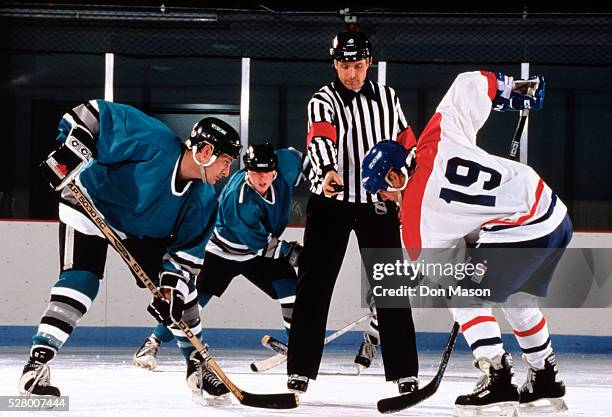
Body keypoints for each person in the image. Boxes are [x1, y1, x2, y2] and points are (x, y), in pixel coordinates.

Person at [361, 70, 570, 414]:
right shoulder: (435, 138)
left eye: (381, 188)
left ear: (394, 175)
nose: (383, 197)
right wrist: (512, 90)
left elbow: (444, 272)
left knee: (464, 295)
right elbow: (469, 83)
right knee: (517, 298)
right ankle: (545, 376)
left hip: (520, 228)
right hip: (553, 212)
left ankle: (497, 376)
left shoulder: (414, 220)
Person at [19, 99, 241, 400]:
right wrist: (71, 151)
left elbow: (184, 259)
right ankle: (37, 364)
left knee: (183, 296)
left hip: (139, 231)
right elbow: (94, 114)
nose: (227, 172)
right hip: (89, 203)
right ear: (205, 152)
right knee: (80, 283)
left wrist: (170, 290)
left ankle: (197, 367)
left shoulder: (203, 201)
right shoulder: (154, 140)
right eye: (225, 162)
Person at [286, 28, 420, 394]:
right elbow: (320, 139)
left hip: (375, 203)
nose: (352, 74)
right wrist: (329, 170)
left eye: (358, 65)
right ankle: (299, 370)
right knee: (314, 285)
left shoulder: (388, 99)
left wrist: (400, 174)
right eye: (345, 66)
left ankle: (404, 373)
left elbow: (407, 145)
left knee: (391, 286)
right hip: (330, 200)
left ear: (369, 63)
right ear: (335, 64)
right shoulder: (323, 99)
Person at [132, 143, 303, 370]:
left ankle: (299, 345)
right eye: (255, 174)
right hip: (221, 252)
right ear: (247, 171)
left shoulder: (287, 165)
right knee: (191, 303)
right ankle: (152, 343)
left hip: (257, 251)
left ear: (276, 170)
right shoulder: (239, 199)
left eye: (267, 174)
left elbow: (303, 159)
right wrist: (292, 253)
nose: (262, 180)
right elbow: (261, 244)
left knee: (291, 288)